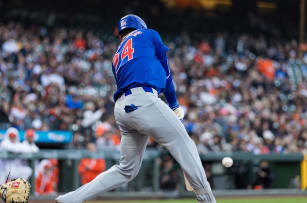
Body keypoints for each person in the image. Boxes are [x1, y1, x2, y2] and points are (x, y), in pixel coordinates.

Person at [56, 14, 216, 203]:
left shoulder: (116, 56)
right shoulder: (148, 34)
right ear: (141, 26)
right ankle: (207, 200)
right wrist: (173, 104)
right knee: (184, 143)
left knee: (126, 169)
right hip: (143, 100)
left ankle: (70, 199)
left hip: (123, 109)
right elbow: (166, 74)